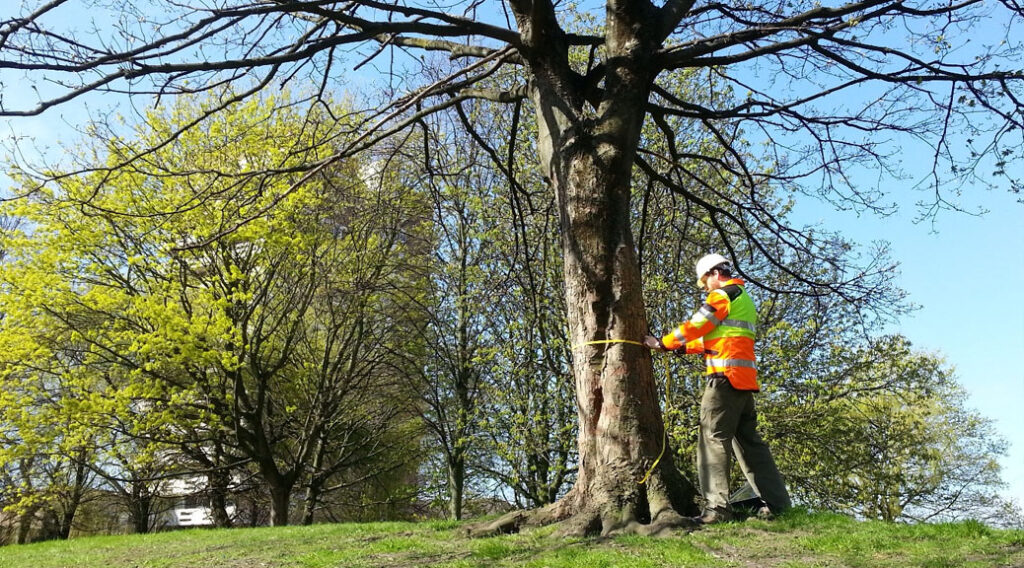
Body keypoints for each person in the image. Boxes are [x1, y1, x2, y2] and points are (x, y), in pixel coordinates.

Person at [644, 253, 791, 525]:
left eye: (704, 282)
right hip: (743, 381)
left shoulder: (722, 296)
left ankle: (717, 509)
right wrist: (685, 348)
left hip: (724, 380)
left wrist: (663, 343)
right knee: (750, 445)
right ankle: (779, 505)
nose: (705, 288)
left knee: (712, 438)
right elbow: (718, 339)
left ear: (713, 273)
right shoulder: (743, 298)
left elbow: (697, 325)